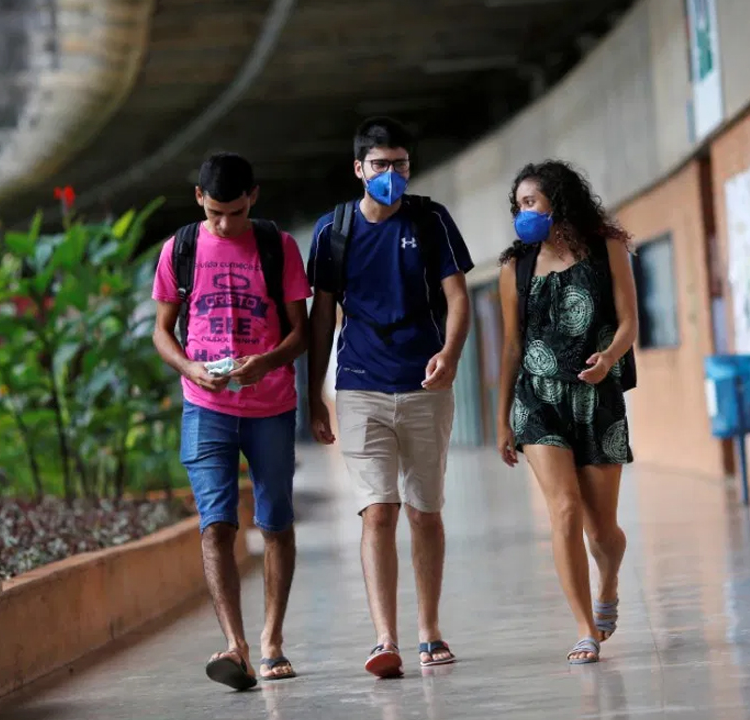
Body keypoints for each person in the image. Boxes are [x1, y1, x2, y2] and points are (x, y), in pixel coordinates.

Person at [306, 117, 474, 677]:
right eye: (380, 165)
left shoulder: (430, 219)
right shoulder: (333, 230)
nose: (391, 174)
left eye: (400, 164)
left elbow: (458, 297)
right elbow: (322, 316)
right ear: (359, 168)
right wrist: (315, 394)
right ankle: (385, 639)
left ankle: (429, 630)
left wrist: (450, 355)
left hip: (425, 385)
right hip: (360, 386)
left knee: (425, 512)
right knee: (378, 510)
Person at [150, 152, 311, 690]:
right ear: (199, 198)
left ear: (253, 198)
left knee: (275, 522)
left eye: (235, 212)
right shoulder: (180, 249)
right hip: (206, 407)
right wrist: (190, 368)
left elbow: (301, 331)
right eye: (215, 212)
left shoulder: (277, 246)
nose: (224, 224)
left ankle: (272, 641)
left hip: (271, 407)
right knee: (216, 524)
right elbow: (162, 331)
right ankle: (235, 647)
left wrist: (266, 362)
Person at [495, 160, 638, 665]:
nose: (523, 213)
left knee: (603, 531)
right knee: (564, 509)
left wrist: (609, 359)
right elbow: (511, 346)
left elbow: (629, 322)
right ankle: (583, 629)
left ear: (558, 201)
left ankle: (609, 582)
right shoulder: (515, 267)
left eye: (530, 202)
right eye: (517, 205)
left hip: (597, 397)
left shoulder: (607, 248)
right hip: (538, 400)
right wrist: (502, 419)